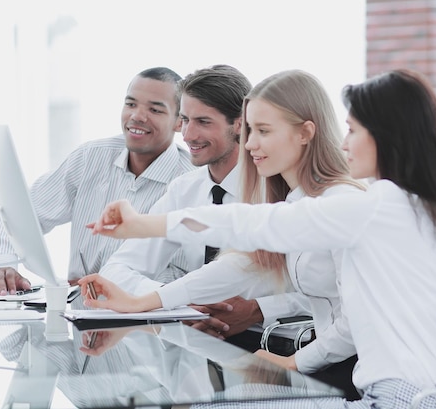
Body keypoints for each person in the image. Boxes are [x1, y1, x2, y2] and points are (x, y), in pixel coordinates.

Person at [81, 69, 436, 409]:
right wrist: (143, 302)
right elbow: (244, 262)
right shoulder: (411, 207)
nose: (344, 142)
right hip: (403, 394)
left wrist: (144, 225)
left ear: (387, 136)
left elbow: (250, 225)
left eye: (353, 130)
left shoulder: (373, 206)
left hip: (408, 400)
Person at [85, 70, 365, 400]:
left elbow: (236, 223)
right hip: (330, 368)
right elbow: (239, 265)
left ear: (305, 133)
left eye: (262, 131)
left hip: (353, 373)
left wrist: (294, 361)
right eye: (251, 130)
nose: (250, 143)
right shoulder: (292, 199)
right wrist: (145, 301)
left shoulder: (338, 204)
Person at [98, 64, 313, 358]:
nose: (187, 134)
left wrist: (259, 309)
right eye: (184, 120)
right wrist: (182, 305)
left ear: (239, 124)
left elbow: (322, 289)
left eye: (202, 122)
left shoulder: (279, 187)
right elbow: (117, 269)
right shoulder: (183, 190)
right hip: (193, 343)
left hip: (274, 345)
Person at [0, 67, 195, 296]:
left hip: (150, 321)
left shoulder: (190, 182)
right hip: (79, 315)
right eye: (131, 104)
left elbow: (183, 275)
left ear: (179, 123)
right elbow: (14, 216)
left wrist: (109, 286)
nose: (137, 116)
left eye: (155, 109)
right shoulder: (90, 158)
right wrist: (4, 266)